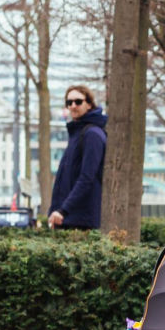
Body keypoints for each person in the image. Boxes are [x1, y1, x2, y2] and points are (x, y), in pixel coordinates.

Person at [48, 85, 107, 230]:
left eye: (78, 101)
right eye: (69, 103)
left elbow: (87, 177)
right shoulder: (78, 133)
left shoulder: (92, 134)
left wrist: (63, 210)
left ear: (89, 104)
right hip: (70, 219)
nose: (73, 106)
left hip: (81, 221)